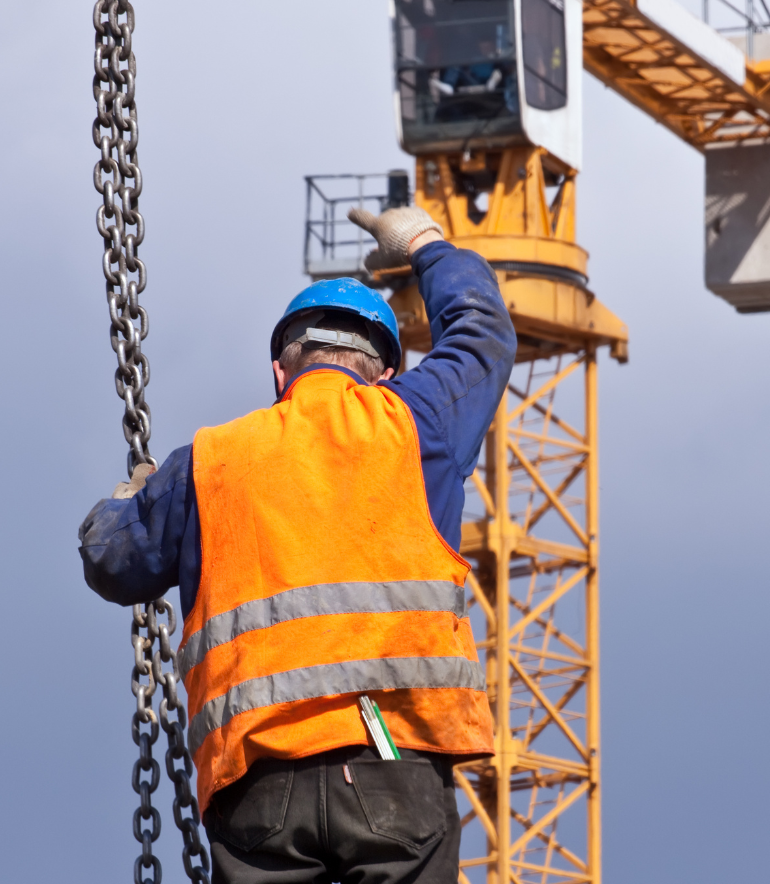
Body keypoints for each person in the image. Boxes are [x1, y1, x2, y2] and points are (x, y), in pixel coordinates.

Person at [78, 203, 517, 884]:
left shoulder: (209, 462)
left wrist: (128, 502)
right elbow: (484, 334)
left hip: (257, 780)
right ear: (385, 372)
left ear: (281, 374)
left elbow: (113, 562)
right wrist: (425, 244)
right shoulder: (417, 421)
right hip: (393, 760)